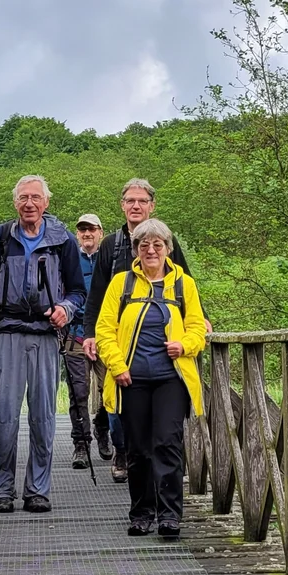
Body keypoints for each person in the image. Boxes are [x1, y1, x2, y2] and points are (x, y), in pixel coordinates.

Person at [0, 175, 87, 514]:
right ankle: (1, 490)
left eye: (35, 197)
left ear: (46, 203)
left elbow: (77, 291)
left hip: (46, 334)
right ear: (15, 202)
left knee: (43, 416)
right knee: (4, 415)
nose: (29, 203)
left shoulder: (63, 240)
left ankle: (38, 490)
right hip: (7, 332)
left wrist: (65, 309)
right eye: (23, 198)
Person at [94, 218, 205, 539]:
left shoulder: (184, 284)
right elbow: (104, 329)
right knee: (138, 449)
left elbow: (198, 327)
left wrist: (184, 345)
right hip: (131, 379)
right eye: (144, 245)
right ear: (136, 250)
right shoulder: (121, 283)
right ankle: (142, 513)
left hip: (172, 378)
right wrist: (117, 366)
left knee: (167, 443)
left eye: (158, 245)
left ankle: (169, 516)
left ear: (168, 249)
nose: (151, 250)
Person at [80, 178, 191, 482]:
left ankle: (154, 458)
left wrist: (200, 321)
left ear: (152, 206)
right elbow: (97, 292)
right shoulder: (111, 244)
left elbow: (185, 283)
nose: (136, 206)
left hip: (159, 341)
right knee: (117, 398)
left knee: (160, 406)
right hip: (117, 338)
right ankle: (122, 450)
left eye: (142, 201)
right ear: (122, 205)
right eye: (130, 200)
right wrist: (90, 333)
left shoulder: (166, 239)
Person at [62, 214, 108, 468]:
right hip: (76, 333)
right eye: (82, 230)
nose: (87, 233)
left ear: (101, 232)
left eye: (92, 229)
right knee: (78, 391)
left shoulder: (109, 258)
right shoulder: (69, 259)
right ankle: (81, 444)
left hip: (106, 333)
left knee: (110, 389)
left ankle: (103, 426)